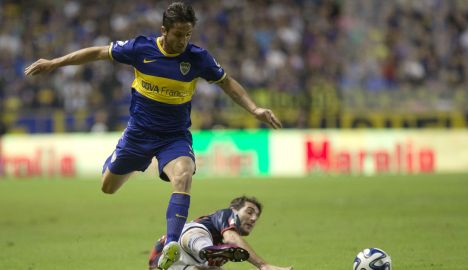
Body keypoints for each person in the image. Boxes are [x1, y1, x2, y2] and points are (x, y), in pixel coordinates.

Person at [24, 2, 282, 270]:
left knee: (184, 175)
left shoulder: (198, 58)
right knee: (107, 187)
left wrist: (254, 108)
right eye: (178, 34)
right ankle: (126, 160)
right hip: (138, 135)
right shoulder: (141, 49)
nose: (183, 40)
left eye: (188, 34)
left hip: (174, 137)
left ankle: (172, 243)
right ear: (164, 30)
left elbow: (226, 82)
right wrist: (55, 62)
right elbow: (99, 52)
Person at [148, 196, 293, 270]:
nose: (253, 218)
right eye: (249, 212)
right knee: (196, 233)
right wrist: (263, 265)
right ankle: (205, 249)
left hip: (169, 264)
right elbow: (231, 238)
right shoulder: (226, 214)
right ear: (234, 210)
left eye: (257, 216)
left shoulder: (229, 251)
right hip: (174, 244)